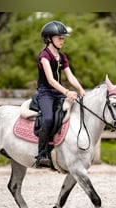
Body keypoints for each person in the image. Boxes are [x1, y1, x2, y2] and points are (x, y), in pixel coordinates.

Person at [36, 21, 86, 168]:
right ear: (49, 39)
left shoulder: (62, 57)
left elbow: (70, 77)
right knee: (48, 118)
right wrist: (66, 91)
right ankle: (42, 154)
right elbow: (51, 80)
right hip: (46, 93)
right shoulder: (44, 56)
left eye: (63, 38)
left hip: (58, 93)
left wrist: (80, 89)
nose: (62, 41)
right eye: (59, 38)